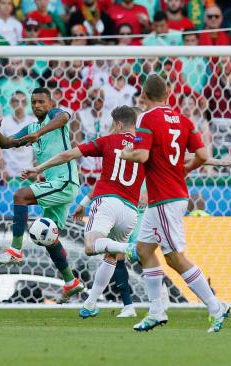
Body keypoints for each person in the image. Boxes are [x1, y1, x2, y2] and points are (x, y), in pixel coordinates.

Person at [120, 74, 230, 333]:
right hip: (170, 195)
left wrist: (125, 153)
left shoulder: (146, 118)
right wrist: (184, 170)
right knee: (145, 251)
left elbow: (142, 154)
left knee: (174, 258)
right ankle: (157, 311)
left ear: (144, 96)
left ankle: (216, 306)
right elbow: (203, 155)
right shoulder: (184, 120)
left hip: (165, 199)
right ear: (168, 93)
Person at [22, 106, 144, 317]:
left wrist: (38, 169)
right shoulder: (144, 147)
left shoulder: (108, 140)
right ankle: (90, 303)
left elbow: (69, 154)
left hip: (107, 203)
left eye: (111, 124)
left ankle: (129, 247)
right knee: (111, 256)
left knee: (90, 246)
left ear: (119, 124)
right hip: (130, 211)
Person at [0, 87, 84, 302]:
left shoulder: (54, 117)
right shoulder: (31, 127)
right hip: (54, 183)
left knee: (20, 196)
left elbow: (63, 118)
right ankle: (71, 282)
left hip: (66, 182)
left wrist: (39, 133)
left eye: (41, 101)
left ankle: (15, 250)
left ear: (50, 103)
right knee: (47, 236)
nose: (38, 105)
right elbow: (7, 143)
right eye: (34, 102)